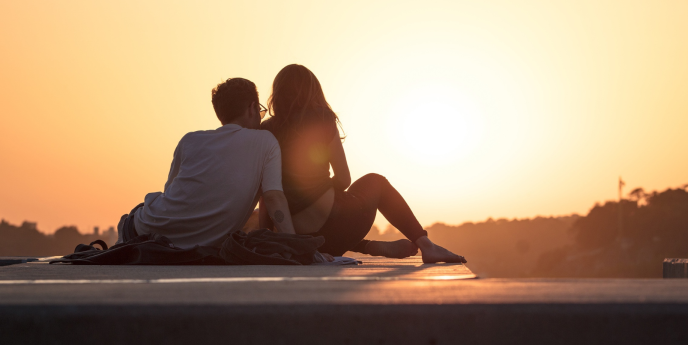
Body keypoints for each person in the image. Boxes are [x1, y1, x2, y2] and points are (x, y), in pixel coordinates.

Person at [260, 64, 466, 263]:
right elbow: (344, 178)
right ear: (313, 92)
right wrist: (319, 190)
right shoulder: (322, 118)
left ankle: (365, 246)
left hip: (301, 239)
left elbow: (266, 194)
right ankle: (427, 246)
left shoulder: (266, 130)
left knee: (323, 225)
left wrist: (269, 237)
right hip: (336, 226)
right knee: (376, 182)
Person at [116, 78, 296, 248]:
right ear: (252, 107)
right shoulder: (266, 141)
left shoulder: (190, 141)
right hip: (191, 243)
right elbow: (273, 198)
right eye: (260, 112)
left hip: (146, 231)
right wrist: (299, 249)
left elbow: (172, 194)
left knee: (141, 212)